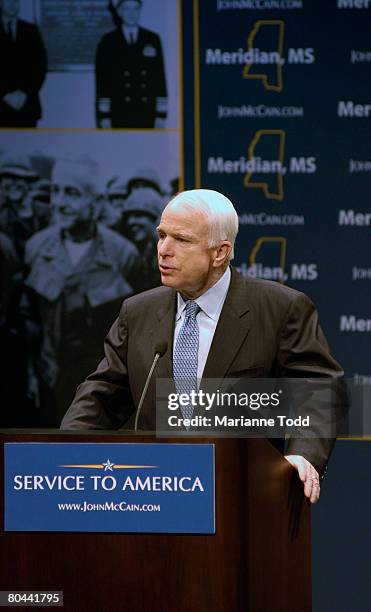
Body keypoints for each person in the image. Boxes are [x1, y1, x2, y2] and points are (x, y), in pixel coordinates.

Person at [61, 189, 346, 504]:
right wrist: (62, 453)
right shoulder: (138, 311)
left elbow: (319, 388)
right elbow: (103, 393)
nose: (163, 250)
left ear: (220, 252)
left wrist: (304, 455)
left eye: (181, 240)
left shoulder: (280, 308)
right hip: (155, 494)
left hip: (244, 497)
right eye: (161, 235)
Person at [23, 156, 140, 426]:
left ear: (95, 202)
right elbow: (28, 323)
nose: (60, 203)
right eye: (56, 191)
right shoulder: (36, 249)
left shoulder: (123, 255)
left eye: (72, 193)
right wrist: (30, 374)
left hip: (105, 389)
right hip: (47, 383)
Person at [95, 0, 167, 128]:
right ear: (119, 12)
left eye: (135, 9)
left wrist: (161, 114)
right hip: (119, 112)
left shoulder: (152, 38)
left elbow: (159, 78)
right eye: (126, 9)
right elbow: (103, 81)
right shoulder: (108, 41)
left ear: (140, 11)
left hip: (147, 112)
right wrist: (104, 116)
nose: (131, 13)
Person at [0, 0, 47, 127]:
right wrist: (4, 94)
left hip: (27, 109)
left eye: (16, 0)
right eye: (8, 0)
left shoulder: (31, 31)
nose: (12, 4)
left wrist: (25, 93)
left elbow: (40, 67)